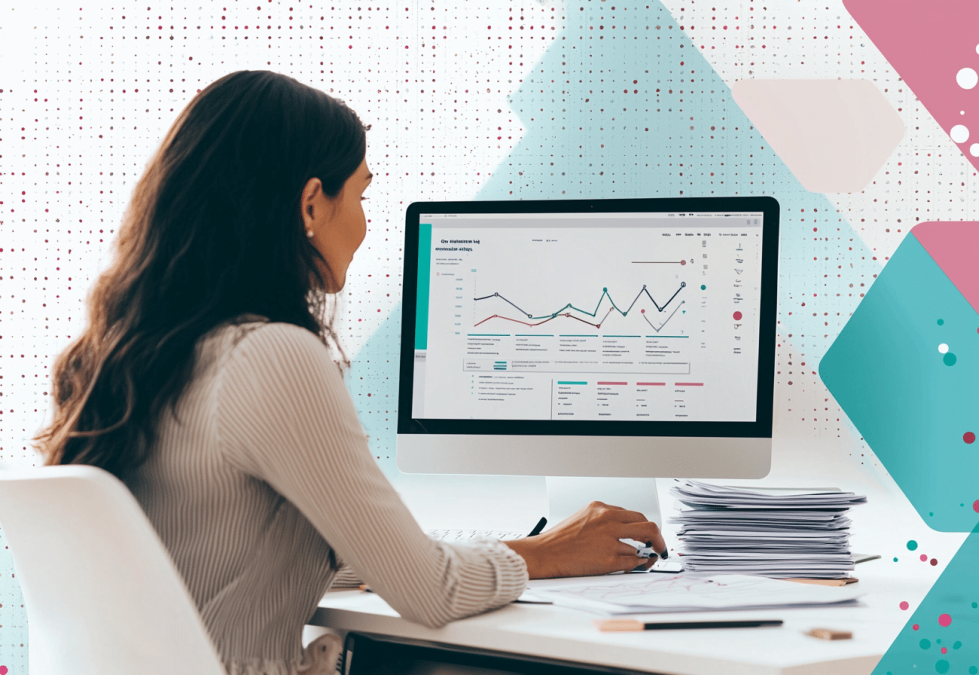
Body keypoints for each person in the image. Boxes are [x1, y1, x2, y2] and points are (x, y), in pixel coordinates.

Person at [34, 70, 666, 675]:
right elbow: (431, 593)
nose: (364, 223)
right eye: (360, 194)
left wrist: (407, 554)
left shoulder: (123, 357)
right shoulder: (270, 355)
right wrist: (550, 551)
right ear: (312, 203)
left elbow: (218, 560)